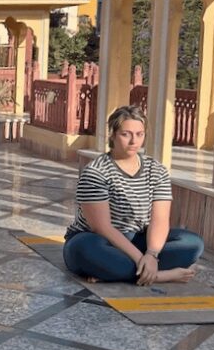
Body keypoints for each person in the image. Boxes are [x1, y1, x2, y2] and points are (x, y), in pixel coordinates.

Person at [63, 105, 203, 285]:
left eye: (139, 134)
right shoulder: (96, 172)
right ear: (113, 135)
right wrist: (140, 259)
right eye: (126, 134)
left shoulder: (157, 170)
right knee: (84, 250)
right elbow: (102, 227)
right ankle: (160, 276)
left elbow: (159, 220)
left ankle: (112, 271)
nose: (133, 141)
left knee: (193, 243)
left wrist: (151, 255)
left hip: (139, 239)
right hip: (98, 240)